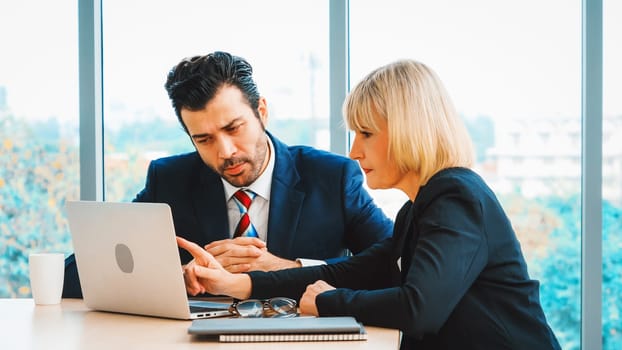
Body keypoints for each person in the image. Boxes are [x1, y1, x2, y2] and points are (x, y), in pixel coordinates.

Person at [177, 59, 561, 349]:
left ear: (410, 129)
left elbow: (419, 309)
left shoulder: (456, 197)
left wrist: (328, 303)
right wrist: (239, 284)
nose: (354, 151)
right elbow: (351, 270)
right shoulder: (421, 208)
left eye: (366, 133)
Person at [61, 51, 393, 298]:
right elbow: (77, 275)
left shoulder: (331, 177)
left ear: (261, 112)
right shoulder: (170, 180)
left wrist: (285, 269)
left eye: (234, 128)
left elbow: (395, 269)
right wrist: (171, 276)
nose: (225, 151)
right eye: (203, 139)